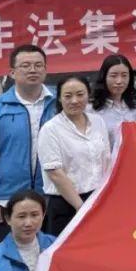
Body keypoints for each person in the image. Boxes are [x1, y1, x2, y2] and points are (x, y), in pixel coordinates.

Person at [0, 44, 57, 248]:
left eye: (38, 65)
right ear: (12, 72)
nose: (33, 70)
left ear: (46, 70)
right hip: (8, 202)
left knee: (50, 259)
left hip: (52, 198)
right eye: (25, 66)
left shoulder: (60, 103)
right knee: (6, 259)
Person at [38, 75, 112, 236]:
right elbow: (55, 173)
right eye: (68, 96)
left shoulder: (98, 122)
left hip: (97, 199)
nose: (74, 100)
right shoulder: (50, 129)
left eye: (80, 94)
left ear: (88, 95)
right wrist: (81, 207)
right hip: (66, 203)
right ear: (59, 98)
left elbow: (106, 159)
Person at [91, 53, 136, 151]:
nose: (119, 81)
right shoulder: (91, 108)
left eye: (124, 75)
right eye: (113, 76)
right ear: (104, 77)